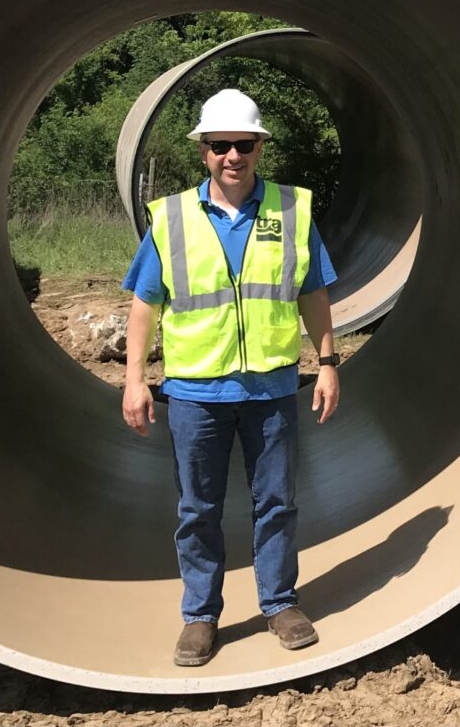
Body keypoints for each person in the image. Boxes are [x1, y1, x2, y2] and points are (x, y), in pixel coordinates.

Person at [121, 88, 341, 667]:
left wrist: (327, 362)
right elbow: (144, 303)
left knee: (277, 503)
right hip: (196, 394)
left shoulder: (292, 212)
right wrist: (135, 378)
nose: (232, 156)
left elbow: (312, 292)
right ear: (204, 152)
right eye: (220, 146)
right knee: (198, 509)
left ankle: (280, 603)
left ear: (259, 147)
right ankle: (201, 618)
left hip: (270, 390)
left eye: (243, 144)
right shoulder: (171, 219)